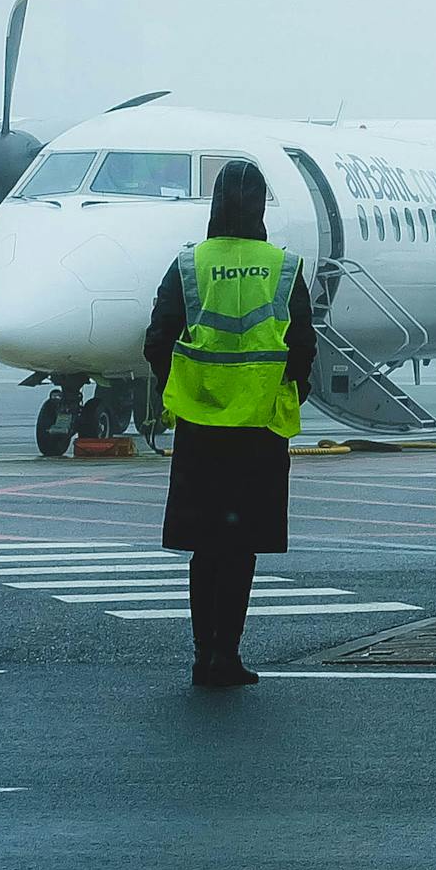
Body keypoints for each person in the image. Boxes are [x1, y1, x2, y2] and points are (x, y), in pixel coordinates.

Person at [142, 158, 314, 690]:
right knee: (240, 549)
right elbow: (304, 347)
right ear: (262, 204)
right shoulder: (284, 265)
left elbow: (157, 339)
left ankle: (201, 655)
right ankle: (228, 654)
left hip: (200, 426)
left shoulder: (188, 264)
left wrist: (189, 385)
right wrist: (282, 391)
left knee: (204, 547)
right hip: (260, 429)